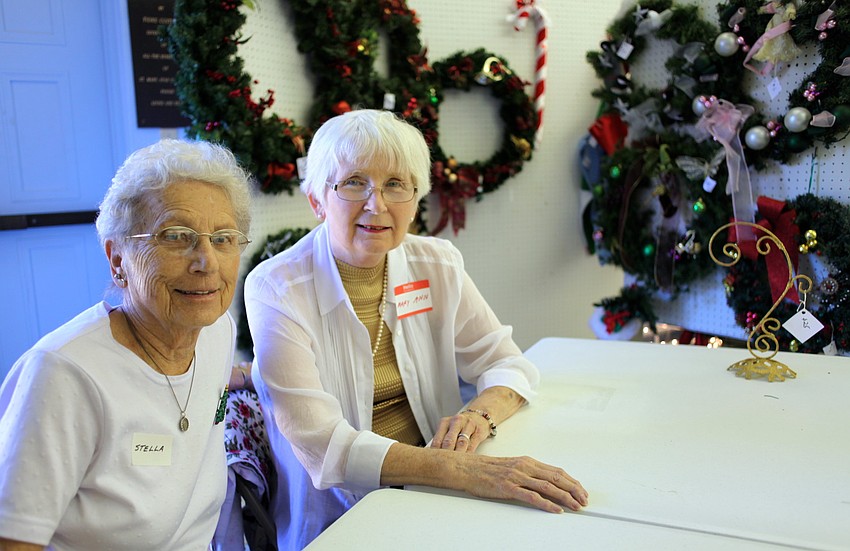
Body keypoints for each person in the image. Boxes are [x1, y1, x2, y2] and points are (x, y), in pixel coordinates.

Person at [244, 109, 589, 550]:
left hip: (440, 498)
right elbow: (324, 447)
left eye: (395, 184)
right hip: (340, 520)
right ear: (317, 200)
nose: (377, 205)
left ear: (415, 199)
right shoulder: (277, 287)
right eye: (354, 183)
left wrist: (477, 417)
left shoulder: (436, 262)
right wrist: (466, 471)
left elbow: (507, 363)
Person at [0, 139, 253, 550]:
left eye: (223, 238)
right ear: (118, 259)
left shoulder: (215, 331)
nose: (206, 261)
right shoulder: (62, 374)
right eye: (176, 236)